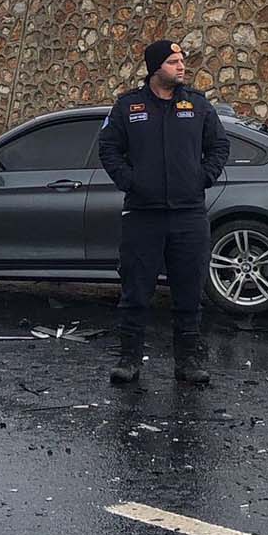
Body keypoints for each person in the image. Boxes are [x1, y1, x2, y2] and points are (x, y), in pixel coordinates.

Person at [97, 39, 229, 387]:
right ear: (155, 67)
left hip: (188, 214)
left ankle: (187, 362)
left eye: (182, 60)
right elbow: (109, 148)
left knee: (188, 292)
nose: (181, 67)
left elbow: (219, 145)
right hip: (143, 215)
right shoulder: (129, 106)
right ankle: (129, 360)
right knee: (136, 291)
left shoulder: (197, 105)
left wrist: (203, 177)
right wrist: (131, 181)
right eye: (173, 61)